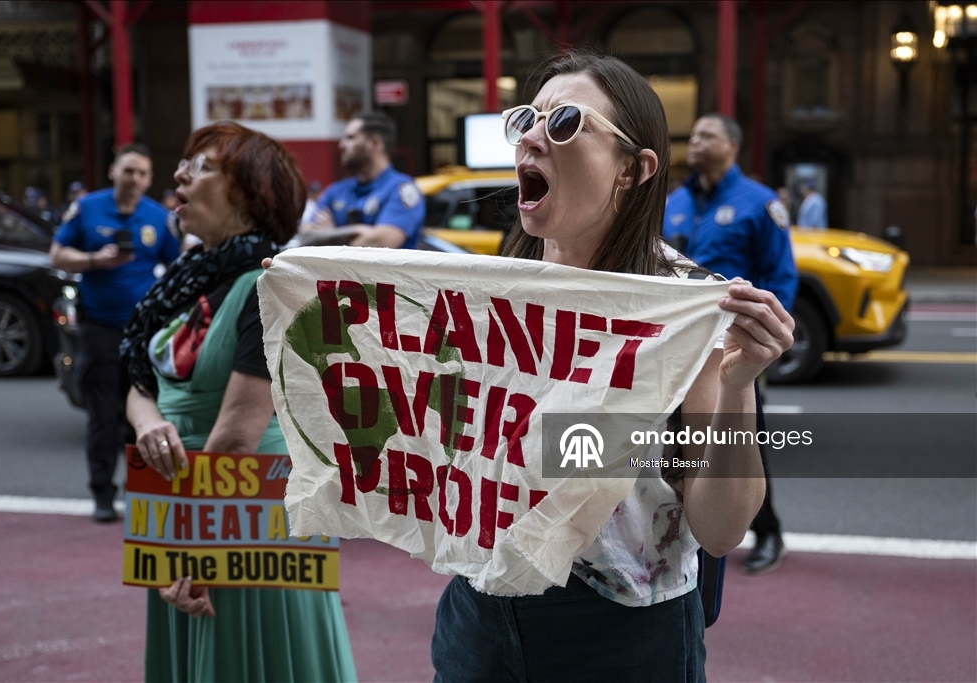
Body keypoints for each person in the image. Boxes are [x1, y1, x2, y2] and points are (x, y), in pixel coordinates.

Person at [426, 52, 793, 681]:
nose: (533, 138)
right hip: (477, 615)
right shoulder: (493, 288)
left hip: (621, 636)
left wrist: (737, 386)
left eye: (565, 121)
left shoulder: (686, 308)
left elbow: (721, 530)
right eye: (527, 120)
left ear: (633, 168)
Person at [121, 121, 357, 683]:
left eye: (202, 167)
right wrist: (149, 421)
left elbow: (237, 435)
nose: (179, 174)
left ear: (250, 199)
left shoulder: (271, 287)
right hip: (185, 504)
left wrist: (193, 553)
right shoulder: (187, 283)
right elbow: (140, 384)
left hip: (241, 514)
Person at [663, 114, 797, 576]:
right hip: (678, 352)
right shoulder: (674, 201)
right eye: (693, 134)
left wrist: (765, 341)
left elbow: (781, 275)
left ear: (733, 146)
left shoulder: (759, 204)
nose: (695, 141)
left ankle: (769, 531)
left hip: (734, 352)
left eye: (707, 135)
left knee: (740, 442)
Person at [50, 143, 179, 522]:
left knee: (141, 418)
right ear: (113, 172)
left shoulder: (157, 217)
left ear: (150, 179)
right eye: (128, 171)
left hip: (143, 333)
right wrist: (94, 260)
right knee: (102, 416)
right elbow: (56, 254)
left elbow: (177, 267)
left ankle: (138, 493)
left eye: (142, 173)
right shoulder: (88, 208)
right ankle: (102, 495)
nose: (134, 179)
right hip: (99, 329)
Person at [299, 111, 424, 248]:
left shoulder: (401, 189)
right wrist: (357, 232)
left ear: (375, 143)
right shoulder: (336, 191)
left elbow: (382, 243)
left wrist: (330, 235)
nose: (341, 145)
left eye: (350, 138)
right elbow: (306, 237)